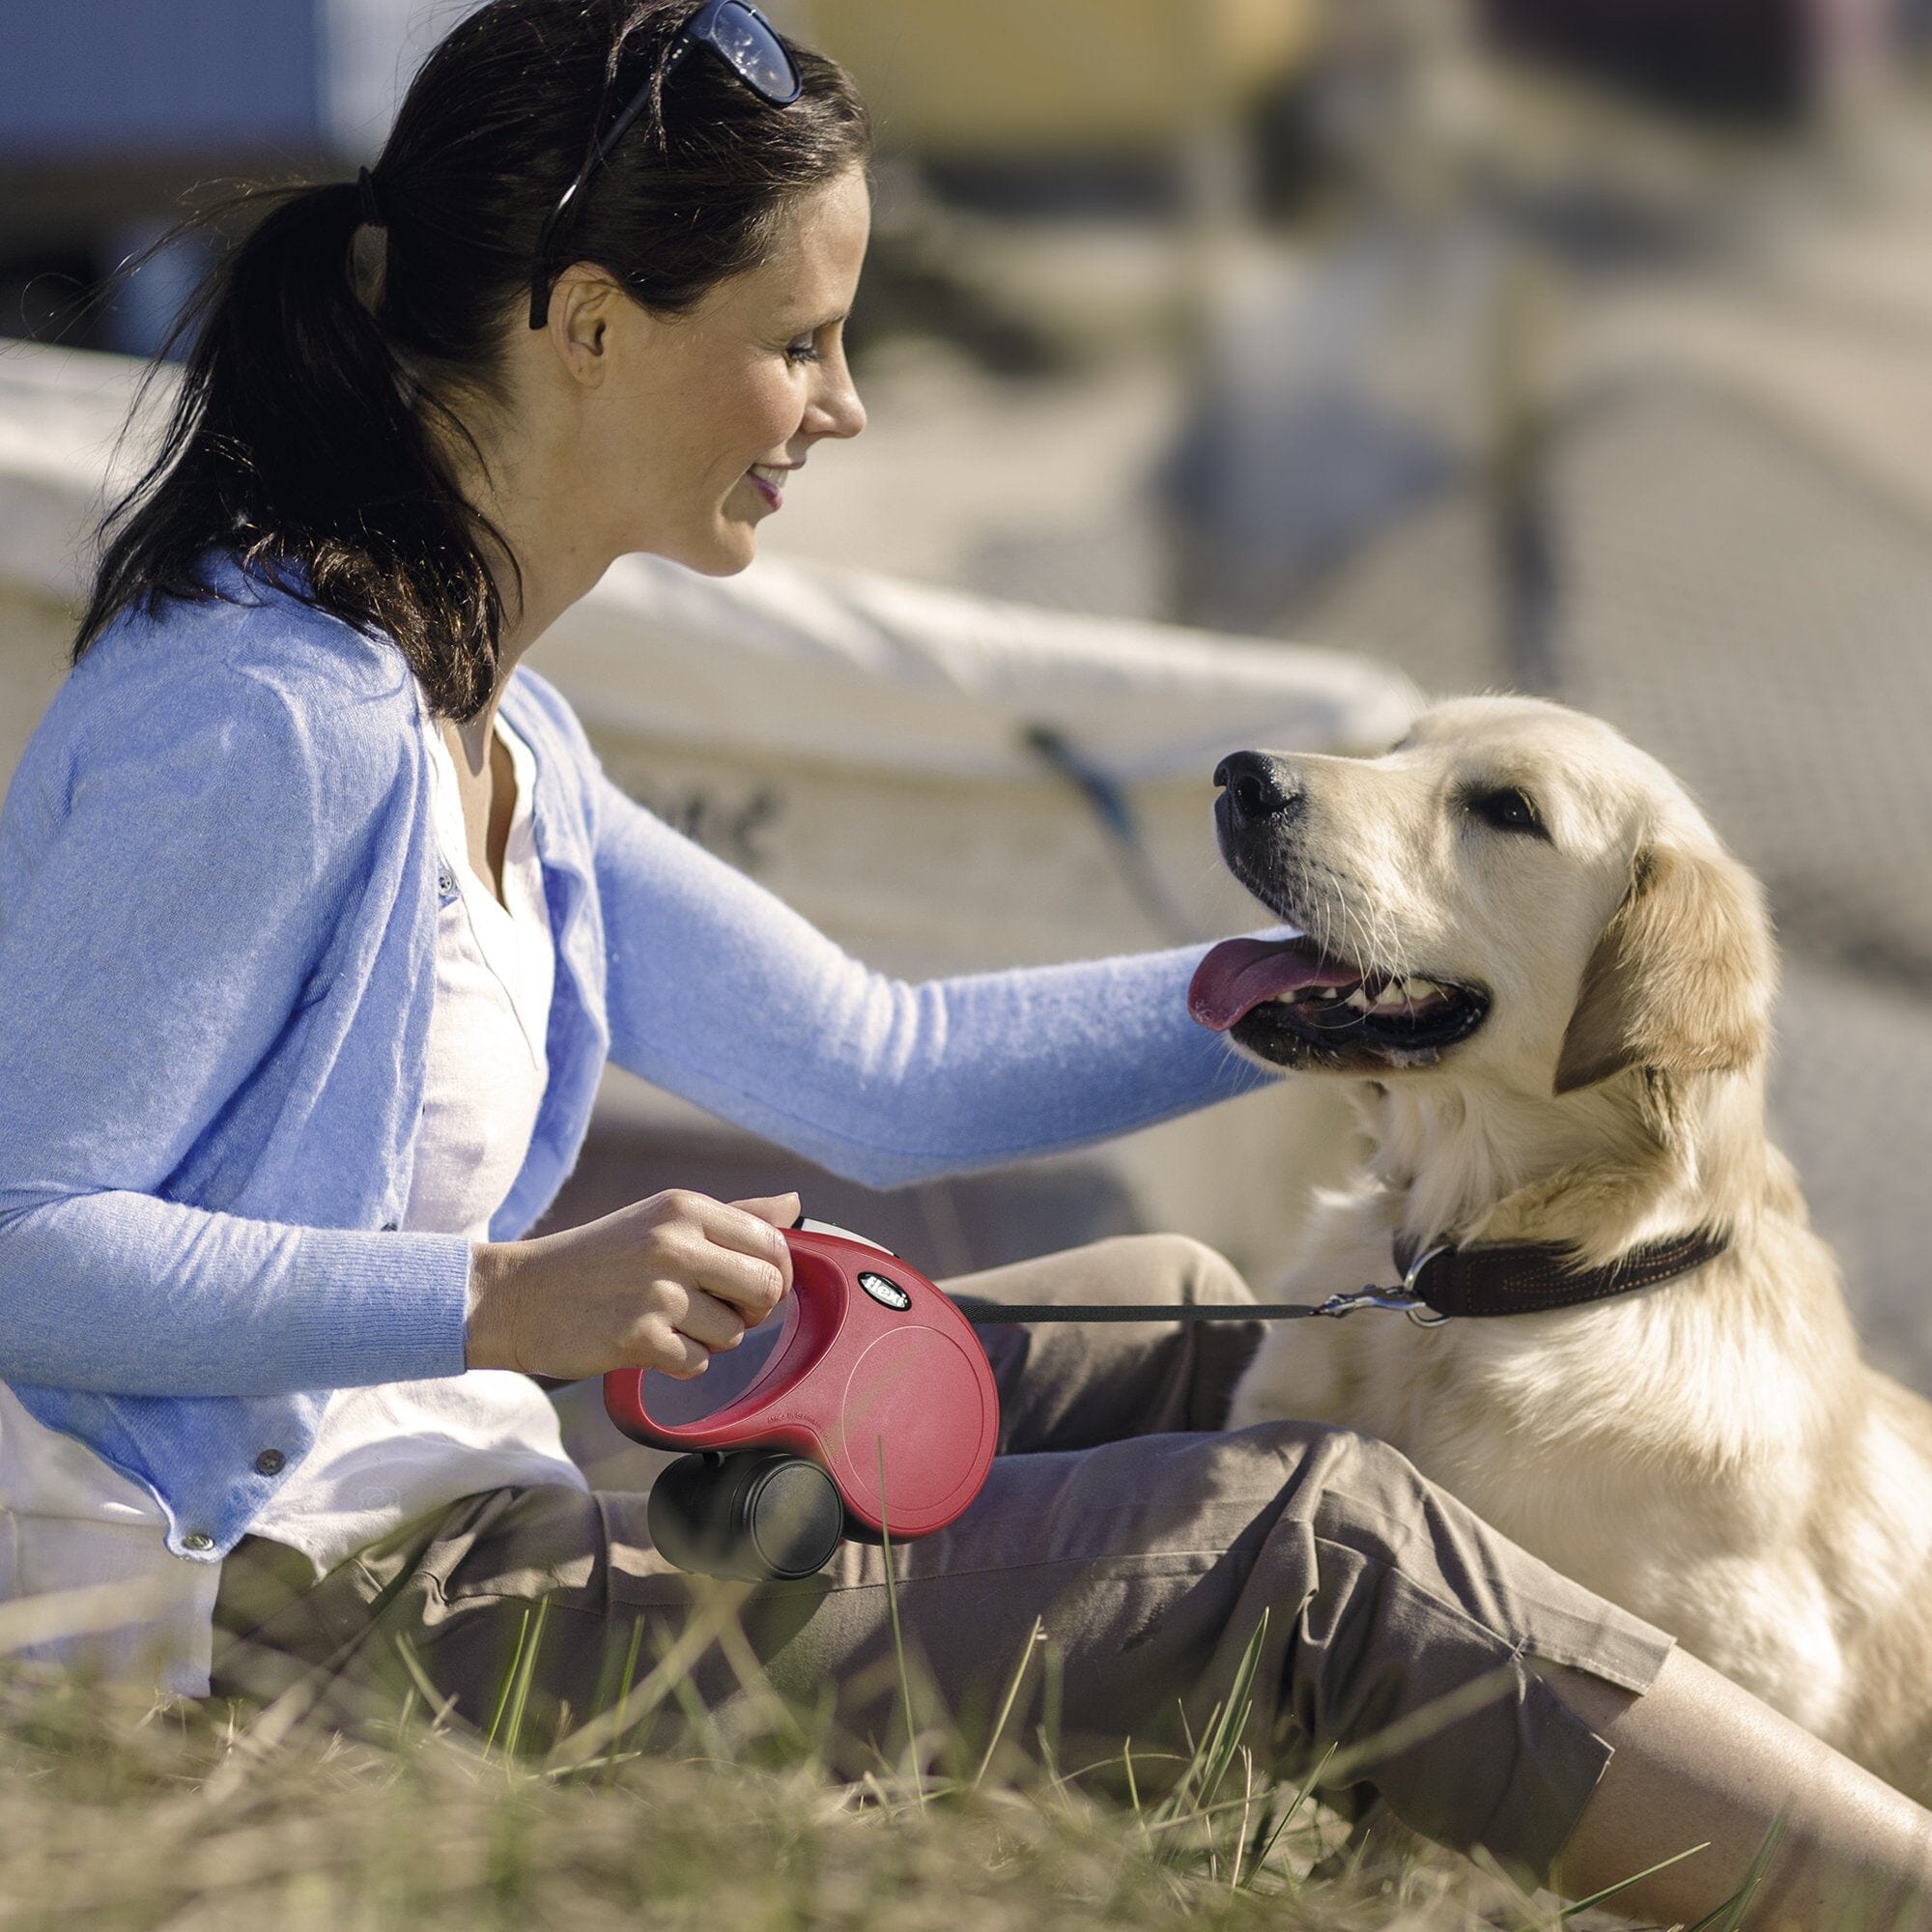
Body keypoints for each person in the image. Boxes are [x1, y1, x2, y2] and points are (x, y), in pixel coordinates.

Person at [0, 2, 1925, 1922]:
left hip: (450, 1504)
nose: (840, 404)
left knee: (1177, 1303)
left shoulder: (494, 732)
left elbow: (878, 1062)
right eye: (793, 343)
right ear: (587, 327)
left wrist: (1292, 994)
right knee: (1317, 1547)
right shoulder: (268, 718)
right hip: (296, 1621)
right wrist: (509, 1297)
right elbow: (31, 1249)